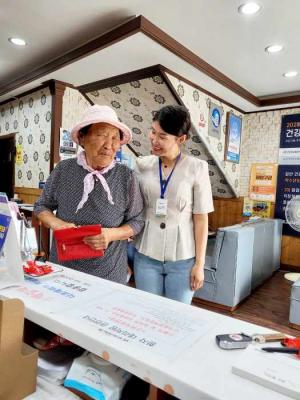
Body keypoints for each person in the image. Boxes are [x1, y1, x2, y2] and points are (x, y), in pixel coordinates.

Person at [34, 105, 144, 284]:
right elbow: (41, 205)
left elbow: (137, 221)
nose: (109, 145)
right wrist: (57, 224)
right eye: (102, 135)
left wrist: (110, 234)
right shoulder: (64, 170)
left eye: (115, 138)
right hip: (63, 269)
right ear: (82, 138)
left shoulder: (126, 176)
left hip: (109, 272)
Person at [133, 105, 214, 304]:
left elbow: (201, 218)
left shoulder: (197, 168)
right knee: (147, 312)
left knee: (176, 317)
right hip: (145, 255)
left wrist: (199, 264)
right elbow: (132, 208)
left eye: (162, 136)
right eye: (153, 132)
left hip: (183, 259)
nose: (154, 139)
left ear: (181, 139)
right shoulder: (142, 165)